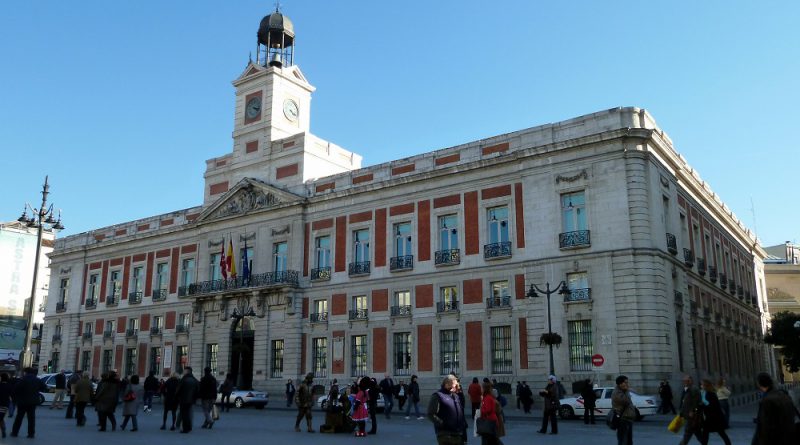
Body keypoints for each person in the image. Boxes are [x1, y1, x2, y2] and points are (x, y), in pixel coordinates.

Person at [753, 372, 796, 445]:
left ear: (759, 384)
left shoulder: (767, 400)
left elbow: (766, 428)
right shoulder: (784, 395)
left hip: (776, 440)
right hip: (789, 438)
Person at [427, 374, 468, 445]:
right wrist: (442, 423)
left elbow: (462, 407)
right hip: (446, 435)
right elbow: (430, 414)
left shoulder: (455, 396)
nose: (457, 386)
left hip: (458, 433)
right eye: (455, 384)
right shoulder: (438, 395)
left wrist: (460, 392)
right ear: (447, 384)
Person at [10, 367, 47, 438]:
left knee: (19, 418)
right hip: (33, 402)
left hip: (22, 402)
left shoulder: (23, 380)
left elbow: (15, 389)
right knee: (31, 418)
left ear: (25, 372)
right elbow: (44, 387)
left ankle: (15, 432)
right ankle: (31, 434)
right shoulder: (37, 380)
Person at [698, 379, 731, 445]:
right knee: (705, 433)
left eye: (702, 385)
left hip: (716, 417)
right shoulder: (703, 393)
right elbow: (701, 405)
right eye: (701, 385)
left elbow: (713, 406)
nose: (701, 386)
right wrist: (696, 409)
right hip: (709, 417)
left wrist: (704, 405)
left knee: (721, 433)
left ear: (706, 386)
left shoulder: (712, 394)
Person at [677, 375, 703, 445]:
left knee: (687, 433)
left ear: (690, 381)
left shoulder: (694, 389)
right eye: (684, 381)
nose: (685, 382)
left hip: (692, 416)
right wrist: (681, 412)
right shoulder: (687, 389)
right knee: (697, 432)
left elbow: (696, 402)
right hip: (688, 415)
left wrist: (693, 411)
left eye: (686, 381)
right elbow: (684, 401)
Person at [611, 375, 635, 445]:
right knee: (623, 441)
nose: (627, 384)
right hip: (622, 420)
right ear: (620, 384)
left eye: (627, 382)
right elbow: (626, 401)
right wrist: (626, 390)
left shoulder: (623, 391)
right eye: (625, 383)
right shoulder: (617, 393)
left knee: (629, 441)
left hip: (628, 419)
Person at [476, 380, 502, 445]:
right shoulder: (487, 397)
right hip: (490, 421)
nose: (481, 390)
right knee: (493, 440)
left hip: (489, 421)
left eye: (482, 388)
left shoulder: (487, 398)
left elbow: (488, 410)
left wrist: (481, 409)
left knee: (489, 440)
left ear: (485, 389)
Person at [176, 366, 199, 433]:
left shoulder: (184, 379)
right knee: (188, 413)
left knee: (184, 414)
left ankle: (185, 429)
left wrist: (177, 397)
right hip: (191, 400)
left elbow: (178, 389)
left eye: (184, 370)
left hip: (183, 399)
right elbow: (198, 390)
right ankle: (189, 427)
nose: (183, 372)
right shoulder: (194, 379)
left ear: (187, 371)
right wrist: (195, 398)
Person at [0, 373, 12, 438]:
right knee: (1, 418)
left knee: (0, 418)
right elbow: (12, 395)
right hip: (5, 405)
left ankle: (3, 430)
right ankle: (3, 430)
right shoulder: (9, 386)